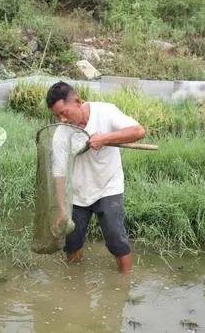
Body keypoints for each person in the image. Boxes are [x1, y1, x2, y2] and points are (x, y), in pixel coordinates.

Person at [48, 81, 146, 273]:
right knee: (72, 243)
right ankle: (75, 283)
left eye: (64, 113)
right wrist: (62, 210)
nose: (62, 119)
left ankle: (125, 280)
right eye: (57, 116)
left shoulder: (105, 112)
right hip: (76, 193)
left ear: (77, 101)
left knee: (115, 237)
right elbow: (58, 174)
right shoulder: (61, 133)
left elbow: (139, 131)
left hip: (108, 186)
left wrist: (105, 138)